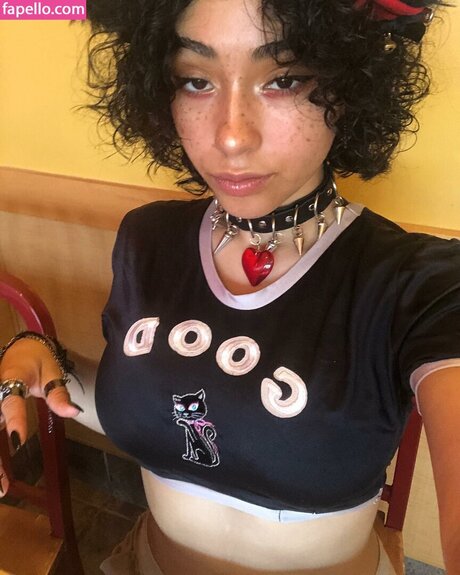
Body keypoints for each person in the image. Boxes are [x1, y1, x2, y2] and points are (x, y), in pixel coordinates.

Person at [0, 0, 459, 573]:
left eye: (284, 79)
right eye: (195, 81)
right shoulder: (148, 238)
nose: (232, 136)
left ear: (350, 86)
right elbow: (151, 406)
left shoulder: (420, 282)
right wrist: (44, 364)